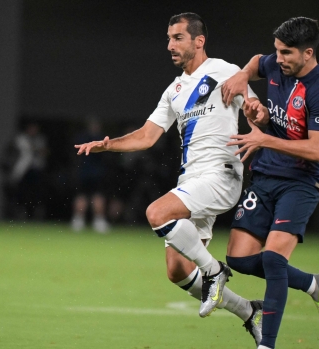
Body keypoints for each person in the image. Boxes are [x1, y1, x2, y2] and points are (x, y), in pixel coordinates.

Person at [75, 12, 264, 346]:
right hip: (192, 180)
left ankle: (214, 271)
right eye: (168, 38)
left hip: (221, 174)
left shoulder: (225, 71)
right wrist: (109, 145)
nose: (170, 45)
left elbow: (253, 106)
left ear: (199, 41)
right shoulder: (174, 90)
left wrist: (254, 112)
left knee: (157, 213)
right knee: (176, 270)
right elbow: (147, 136)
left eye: (177, 38)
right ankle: (248, 311)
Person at [220, 17, 319, 349]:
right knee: (239, 259)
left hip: (301, 181)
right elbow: (258, 62)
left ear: (308, 53)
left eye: (286, 53)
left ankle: (266, 344)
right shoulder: (276, 64)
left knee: (273, 259)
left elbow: (317, 149)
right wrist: (244, 76)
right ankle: (316, 285)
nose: (279, 58)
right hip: (266, 174)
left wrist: (264, 138)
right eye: (277, 50)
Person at [71, 117, 110, 233]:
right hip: (85, 172)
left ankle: (98, 220)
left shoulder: (100, 139)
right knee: (82, 196)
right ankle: (79, 219)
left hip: (96, 172)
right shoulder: (85, 138)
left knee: (97, 196)